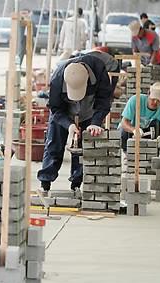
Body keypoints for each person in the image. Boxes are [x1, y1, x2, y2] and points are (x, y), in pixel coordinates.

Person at [37, 54, 113, 192]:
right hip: (63, 112)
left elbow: (104, 101)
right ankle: (45, 183)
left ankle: (76, 184)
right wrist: (69, 125)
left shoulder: (98, 69)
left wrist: (95, 122)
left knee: (82, 149)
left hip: (88, 113)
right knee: (54, 144)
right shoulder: (58, 78)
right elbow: (55, 107)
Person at [120, 82, 160, 152]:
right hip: (130, 131)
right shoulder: (135, 100)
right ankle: (125, 154)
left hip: (146, 131)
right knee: (124, 132)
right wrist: (134, 130)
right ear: (148, 94)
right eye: (153, 99)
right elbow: (124, 123)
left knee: (157, 124)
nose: (155, 102)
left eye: (158, 101)